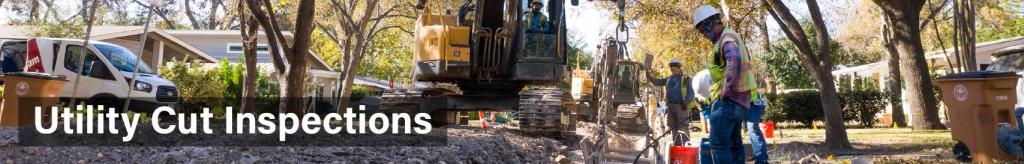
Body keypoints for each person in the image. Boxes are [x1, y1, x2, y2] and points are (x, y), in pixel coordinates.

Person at [693, 4, 759, 163]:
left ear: (710, 22)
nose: (703, 34)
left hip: (728, 101)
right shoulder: (730, 36)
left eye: (703, 29)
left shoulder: (726, 38)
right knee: (734, 144)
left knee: (719, 145)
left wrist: (726, 90)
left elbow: (734, 60)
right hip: (741, 102)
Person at [647, 58, 695, 146]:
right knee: (673, 128)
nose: (672, 68)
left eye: (674, 66)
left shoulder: (685, 79)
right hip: (671, 106)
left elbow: (691, 93)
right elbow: (659, 82)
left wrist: (685, 102)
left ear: (679, 67)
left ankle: (686, 147)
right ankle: (677, 147)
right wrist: (650, 78)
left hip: (681, 106)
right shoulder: (669, 79)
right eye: (671, 66)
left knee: (683, 127)